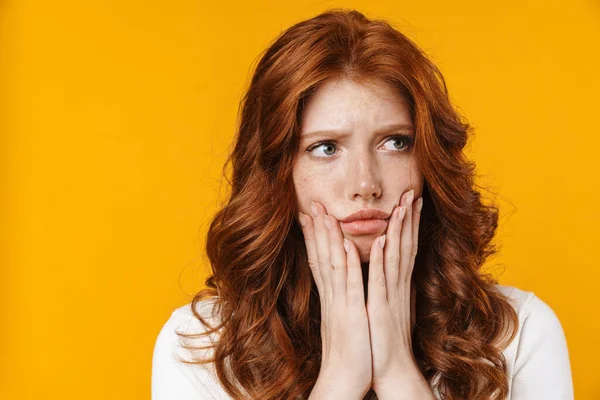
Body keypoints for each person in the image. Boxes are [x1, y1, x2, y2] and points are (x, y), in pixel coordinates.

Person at [151, 9, 574, 400]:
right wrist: (341, 377)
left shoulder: (519, 332)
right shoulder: (199, 345)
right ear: (277, 170)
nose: (365, 184)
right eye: (325, 147)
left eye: (395, 143)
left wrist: (396, 374)